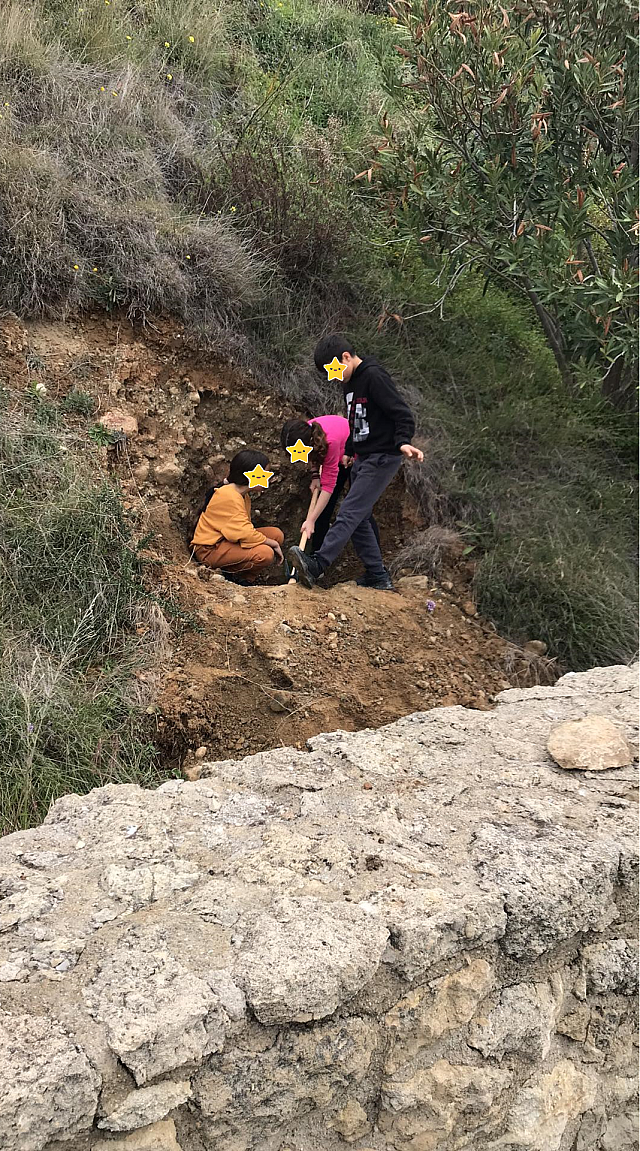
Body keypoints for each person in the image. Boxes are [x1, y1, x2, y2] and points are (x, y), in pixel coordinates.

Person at [288, 334, 423, 591]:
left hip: (382, 456)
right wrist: (350, 450)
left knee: (348, 512)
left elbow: (401, 412)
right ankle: (377, 575)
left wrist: (402, 441)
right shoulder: (348, 383)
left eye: (333, 370)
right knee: (359, 516)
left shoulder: (374, 377)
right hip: (363, 456)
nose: (332, 377)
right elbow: (354, 421)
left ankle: (317, 564)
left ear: (346, 358)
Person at [191, 449, 284, 584]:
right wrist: (271, 543)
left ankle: (240, 572)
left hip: (226, 541)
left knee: (276, 534)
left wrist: (271, 541)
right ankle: (241, 579)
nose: (268, 479)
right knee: (265, 553)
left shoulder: (242, 495)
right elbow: (244, 533)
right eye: (265, 474)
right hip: (210, 550)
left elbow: (242, 531)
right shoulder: (229, 496)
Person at [280, 414, 352, 551]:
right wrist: (315, 476)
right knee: (321, 509)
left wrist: (311, 520)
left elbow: (329, 485)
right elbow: (313, 454)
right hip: (332, 451)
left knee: (337, 509)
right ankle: (315, 553)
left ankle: (318, 556)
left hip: (353, 455)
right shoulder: (308, 431)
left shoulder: (331, 441)